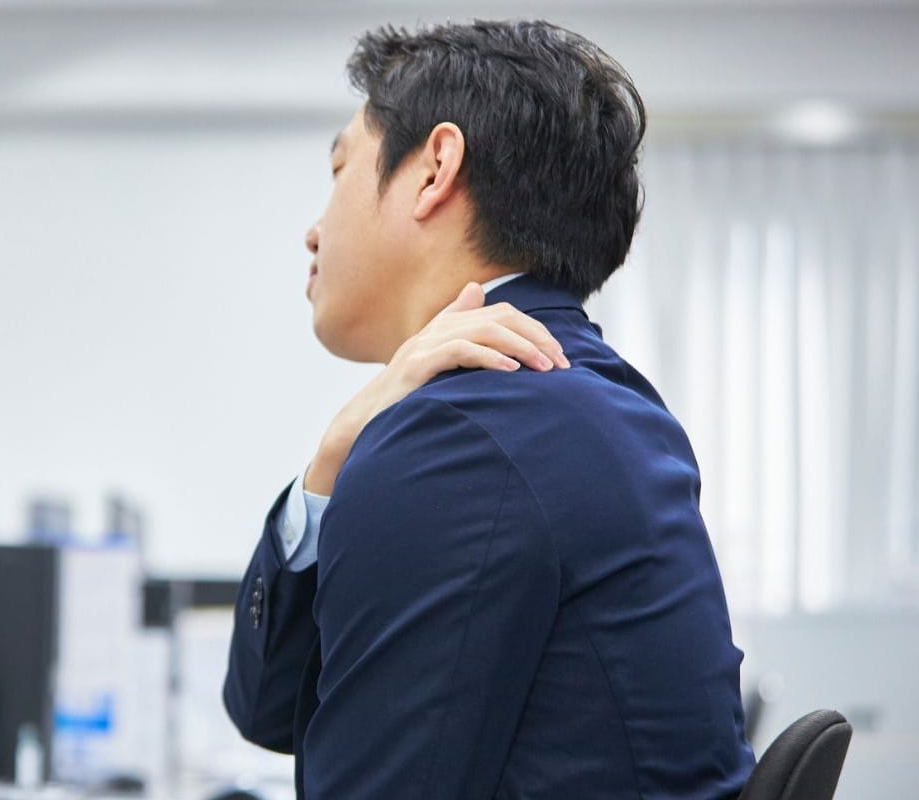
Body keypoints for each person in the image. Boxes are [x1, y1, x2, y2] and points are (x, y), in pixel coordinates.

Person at [224, 19, 754, 800]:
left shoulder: (468, 435)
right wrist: (333, 454)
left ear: (435, 168)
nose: (314, 229)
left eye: (339, 170)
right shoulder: (569, 398)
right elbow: (272, 711)